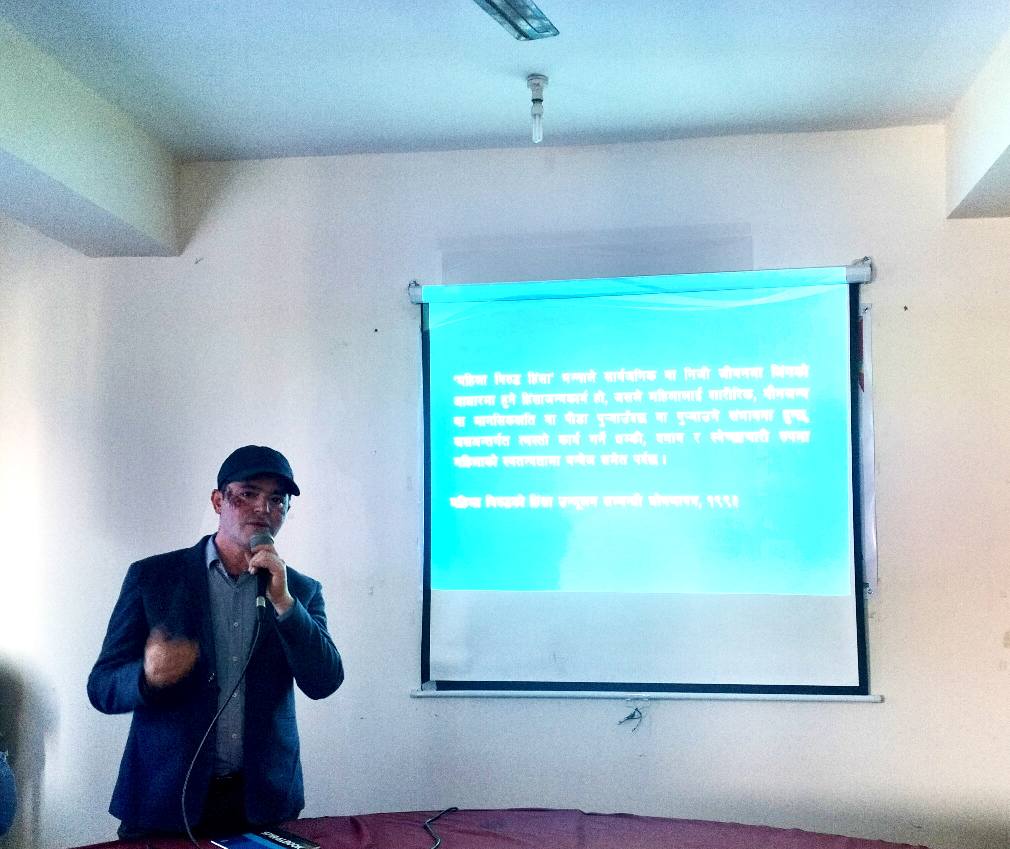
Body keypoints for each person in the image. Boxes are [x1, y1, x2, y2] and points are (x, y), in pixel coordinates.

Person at [88, 446, 343, 839]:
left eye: (277, 500)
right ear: (218, 501)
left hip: (261, 802)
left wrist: (285, 603)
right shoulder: (153, 578)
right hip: (164, 800)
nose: (263, 508)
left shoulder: (300, 591)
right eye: (248, 494)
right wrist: (147, 677)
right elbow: (101, 686)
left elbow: (324, 682)